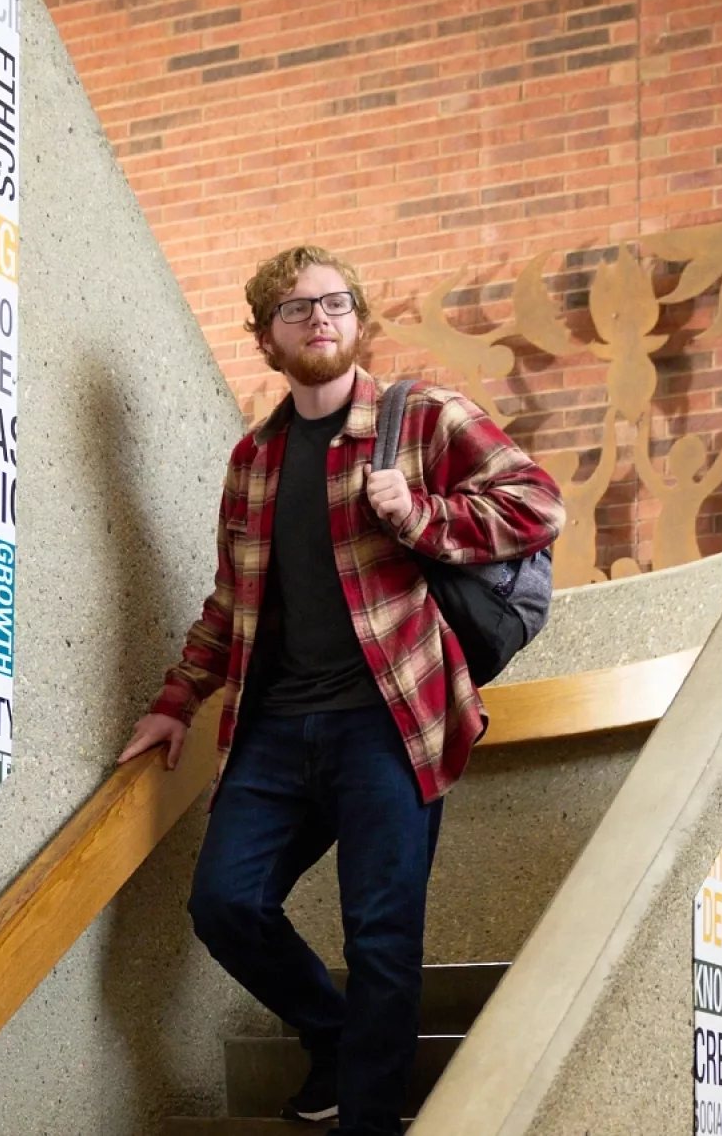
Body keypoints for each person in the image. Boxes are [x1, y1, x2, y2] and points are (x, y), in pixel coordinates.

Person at [118, 246, 565, 1135]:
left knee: (382, 936)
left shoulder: (424, 418)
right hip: (276, 730)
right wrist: (175, 699)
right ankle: (330, 1038)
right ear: (266, 339)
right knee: (225, 902)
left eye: (333, 303)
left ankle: (367, 1117)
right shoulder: (254, 459)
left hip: (390, 722)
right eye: (294, 310)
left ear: (358, 319)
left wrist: (422, 516)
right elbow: (231, 599)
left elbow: (538, 503)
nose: (318, 319)